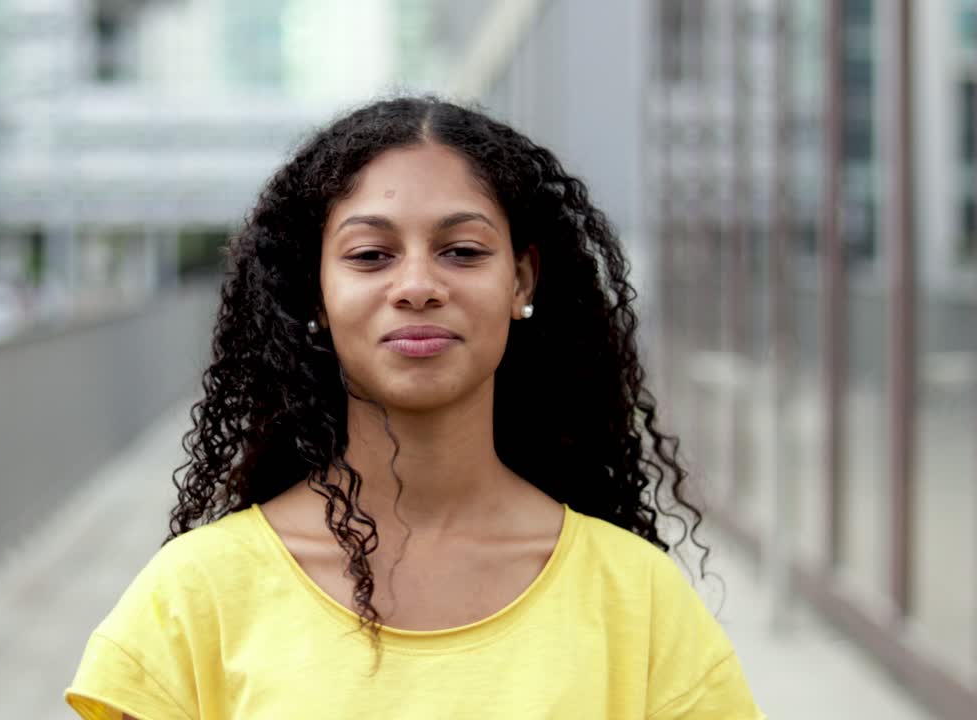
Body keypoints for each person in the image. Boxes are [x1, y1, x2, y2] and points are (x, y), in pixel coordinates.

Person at [64, 95, 766, 719]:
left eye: (461, 251)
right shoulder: (196, 596)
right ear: (315, 294)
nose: (418, 286)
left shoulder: (637, 600)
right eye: (370, 255)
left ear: (521, 280)